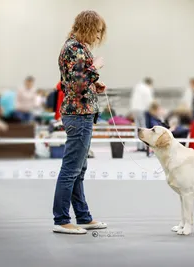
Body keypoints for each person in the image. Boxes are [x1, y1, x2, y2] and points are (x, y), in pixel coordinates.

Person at [52, 10, 108, 235]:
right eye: (96, 31)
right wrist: (96, 67)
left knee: (79, 169)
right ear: (87, 27)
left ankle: (83, 217)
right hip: (78, 116)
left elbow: (73, 82)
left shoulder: (75, 47)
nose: (97, 37)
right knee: (71, 169)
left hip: (80, 114)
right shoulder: (74, 48)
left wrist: (95, 84)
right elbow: (77, 83)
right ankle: (62, 220)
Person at [130, 77, 154, 152]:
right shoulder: (147, 89)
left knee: (138, 128)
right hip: (142, 110)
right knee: (144, 128)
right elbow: (149, 101)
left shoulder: (137, 87)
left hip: (135, 110)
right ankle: (145, 146)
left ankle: (139, 147)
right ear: (149, 83)